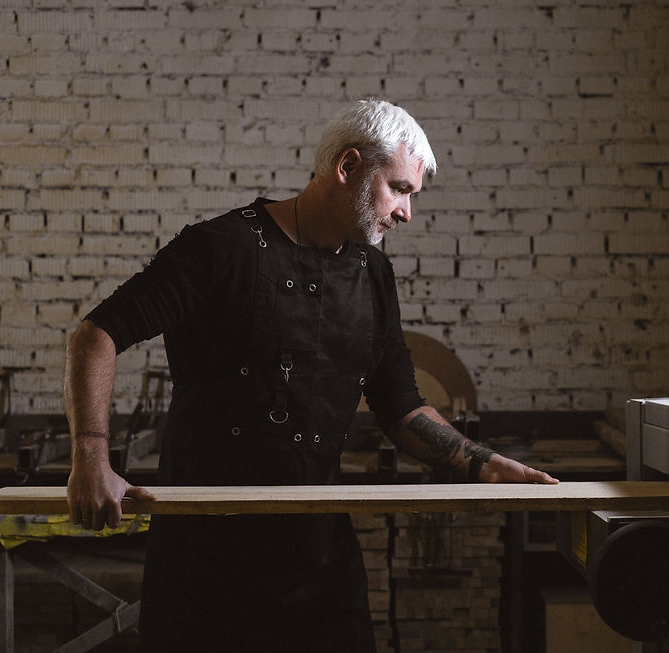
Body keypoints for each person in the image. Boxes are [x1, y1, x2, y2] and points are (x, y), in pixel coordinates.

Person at [63, 98, 558, 652]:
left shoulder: (373, 273)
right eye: (398, 189)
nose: (406, 214)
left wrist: (483, 464)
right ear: (347, 168)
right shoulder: (218, 247)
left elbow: (400, 406)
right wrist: (91, 457)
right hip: (206, 557)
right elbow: (96, 335)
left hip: (318, 558)